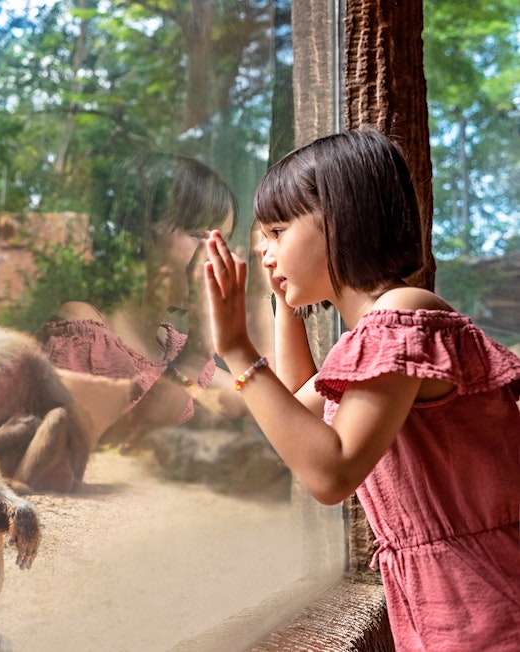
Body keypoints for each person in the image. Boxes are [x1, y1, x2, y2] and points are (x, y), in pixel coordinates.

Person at [203, 126, 520, 650]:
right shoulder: (376, 334)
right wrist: (284, 302)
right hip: (453, 601)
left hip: (487, 602)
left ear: (340, 223)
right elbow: (300, 407)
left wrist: (237, 348)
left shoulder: (401, 318)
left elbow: (329, 473)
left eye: (278, 232)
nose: (263, 252)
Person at [38, 154, 245, 451]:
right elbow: (107, 456)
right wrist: (198, 349)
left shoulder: (169, 346)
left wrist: (264, 294)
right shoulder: (82, 329)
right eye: (200, 236)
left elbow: (263, 407)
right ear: (139, 237)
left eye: (222, 242)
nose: (216, 256)